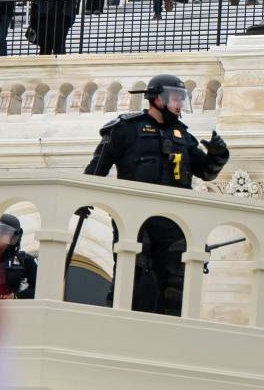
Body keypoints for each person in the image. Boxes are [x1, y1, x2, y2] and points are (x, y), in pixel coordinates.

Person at [84, 74, 230, 315]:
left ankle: (171, 335)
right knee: (133, 279)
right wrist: (84, 199)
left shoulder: (183, 137)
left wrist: (218, 156)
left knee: (176, 285)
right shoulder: (125, 129)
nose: (179, 104)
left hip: (174, 222)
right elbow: (97, 168)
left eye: (182, 99)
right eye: (175, 98)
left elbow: (205, 172)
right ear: (156, 98)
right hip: (134, 220)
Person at [0, 214, 37, 300]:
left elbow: (40, 290)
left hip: (16, 310)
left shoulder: (26, 261)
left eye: (4, 231)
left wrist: (16, 296)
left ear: (13, 236)